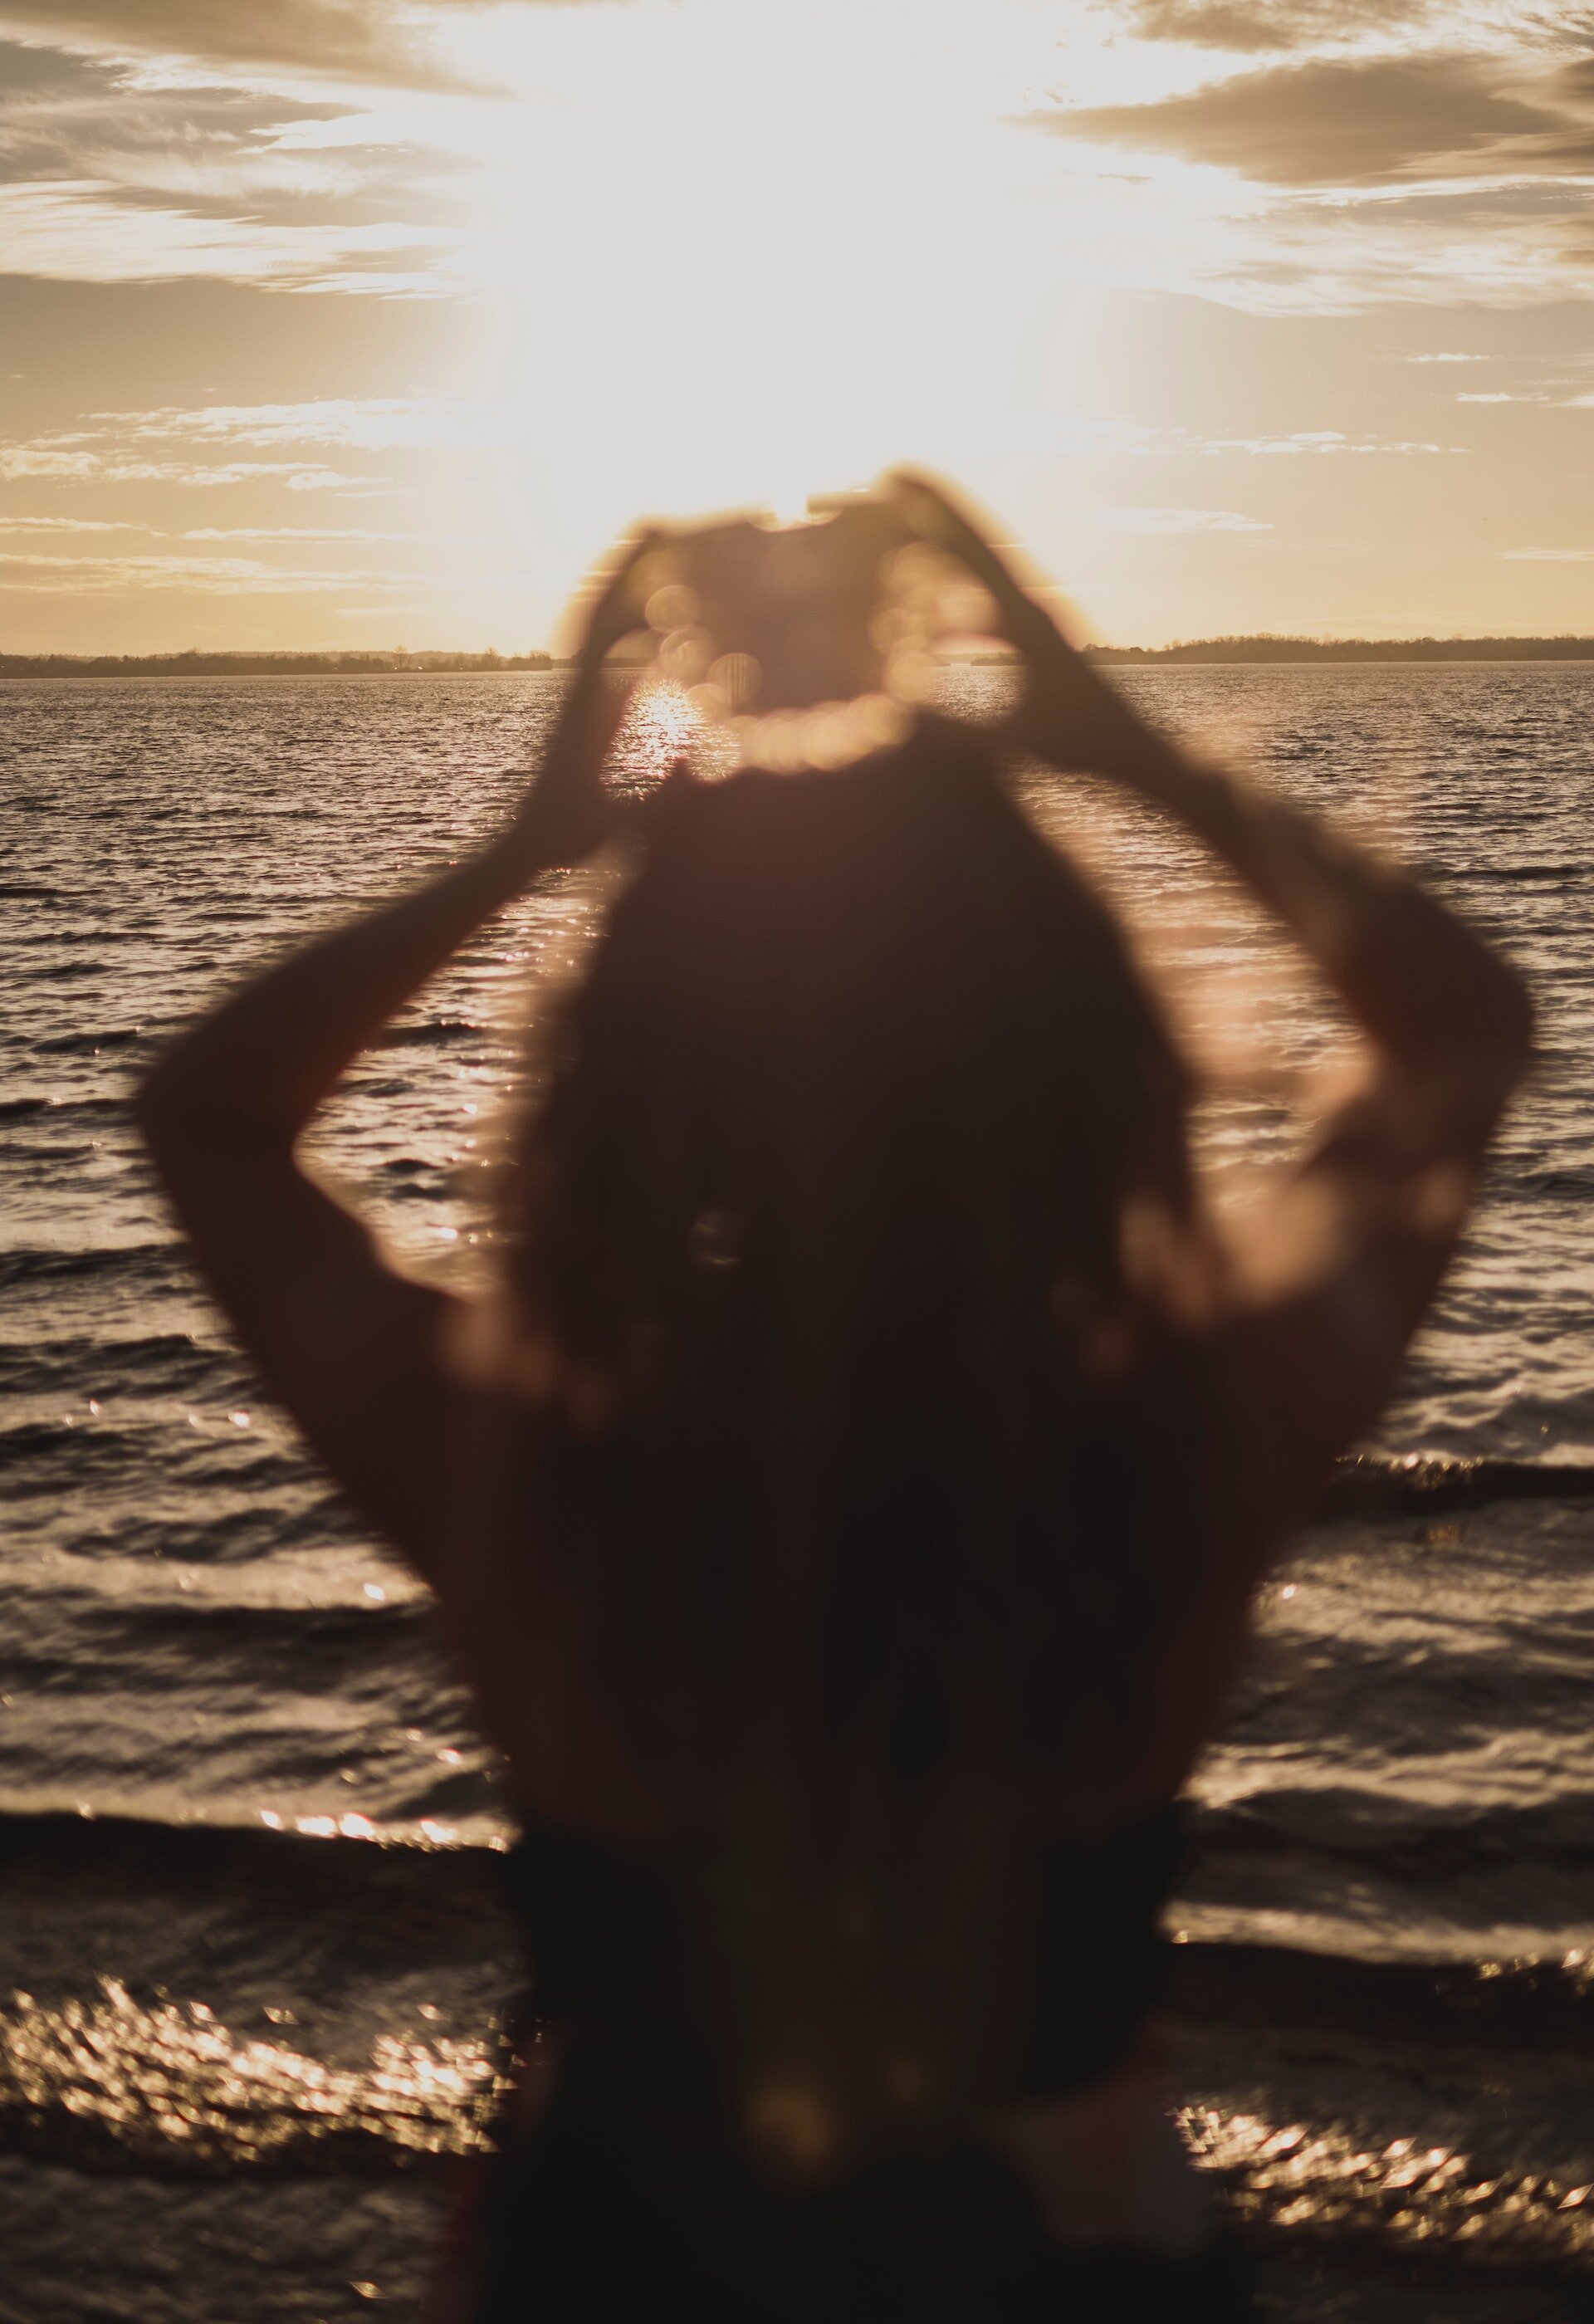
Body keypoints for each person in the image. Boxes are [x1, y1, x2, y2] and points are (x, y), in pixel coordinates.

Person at [136, 477, 1533, 2320]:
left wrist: (532, 844)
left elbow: (210, 1126)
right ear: (1075, 1049)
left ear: (631, 1077)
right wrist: (1123, 754)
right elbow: (1459, 1038)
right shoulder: (1173, 1445)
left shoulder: (539, 1469)